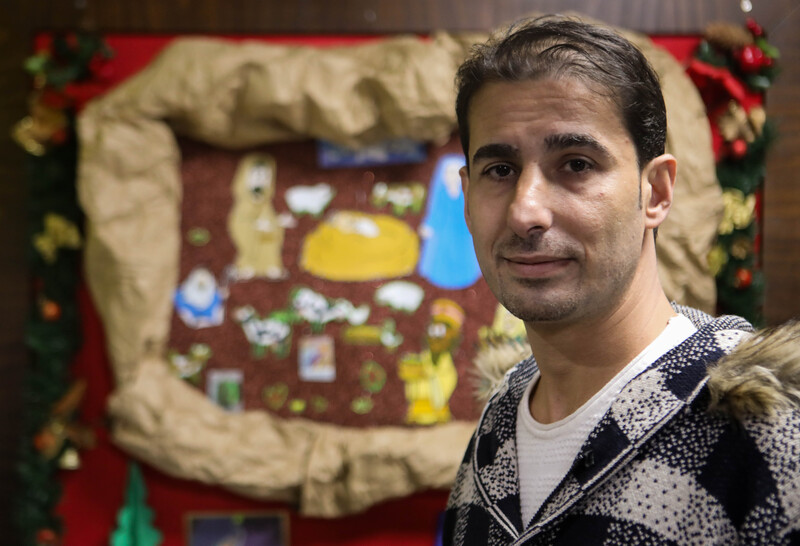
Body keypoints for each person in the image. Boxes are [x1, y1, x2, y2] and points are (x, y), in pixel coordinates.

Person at [443, 15, 800, 545]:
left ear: (655, 192)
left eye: (576, 164)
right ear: (467, 196)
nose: (526, 212)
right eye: (500, 170)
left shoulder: (764, 429)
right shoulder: (497, 426)